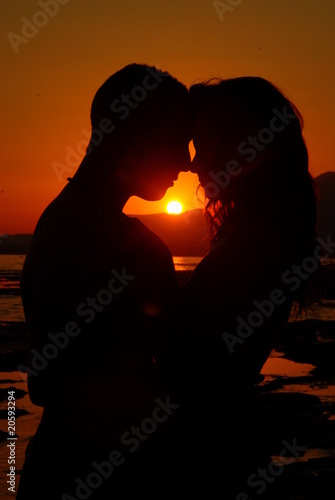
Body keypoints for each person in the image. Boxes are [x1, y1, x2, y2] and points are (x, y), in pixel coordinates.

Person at [17, 63, 192, 499]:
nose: (186, 162)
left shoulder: (87, 226)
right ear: (134, 132)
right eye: (176, 140)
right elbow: (49, 381)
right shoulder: (82, 233)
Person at [168, 77, 321, 496]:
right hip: (224, 444)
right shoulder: (268, 231)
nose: (195, 165)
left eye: (203, 145)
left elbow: (199, 366)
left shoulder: (259, 240)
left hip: (209, 456)